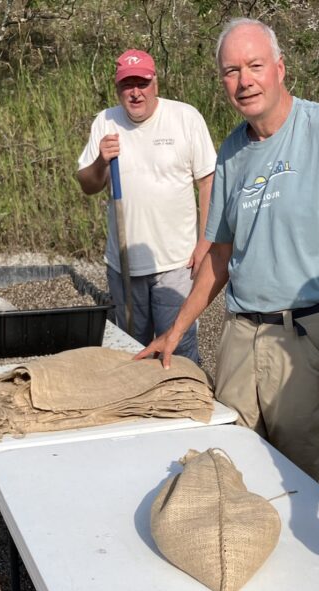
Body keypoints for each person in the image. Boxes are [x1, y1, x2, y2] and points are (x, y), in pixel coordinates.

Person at [137, 18, 319, 481]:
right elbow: (218, 256)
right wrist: (175, 330)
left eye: (254, 65)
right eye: (232, 71)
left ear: (279, 68)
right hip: (239, 336)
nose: (244, 80)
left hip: (305, 338)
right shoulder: (231, 151)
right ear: (223, 83)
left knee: (299, 484)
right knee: (234, 470)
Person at [76, 48, 216, 363]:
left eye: (142, 83)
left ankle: (184, 403)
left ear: (156, 84)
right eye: (128, 84)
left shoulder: (185, 117)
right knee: (130, 351)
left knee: (178, 349)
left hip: (176, 264)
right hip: (124, 265)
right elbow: (88, 185)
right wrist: (101, 160)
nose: (135, 92)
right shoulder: (106, 122)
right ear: (118, 88)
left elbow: (208, 181)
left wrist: (205, 242)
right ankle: (137, 407)